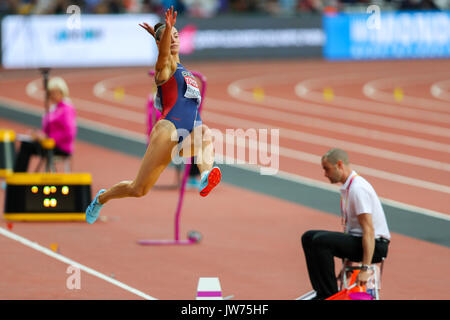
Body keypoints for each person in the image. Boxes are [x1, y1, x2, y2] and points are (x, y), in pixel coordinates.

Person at [85, 6, 221, 224]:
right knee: (138, 189)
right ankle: (101, 198)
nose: (174, 38)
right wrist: (165, 31)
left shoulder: (186, 71)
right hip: (167, 132)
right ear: (162, 42)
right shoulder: (164, 69)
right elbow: (164, 55)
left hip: (187, 135)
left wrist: (161, 34)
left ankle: (206, 176)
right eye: (170, 36)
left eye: (177, 35)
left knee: (206, 134)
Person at [301, 148, 390, 300]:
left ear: (339, 165)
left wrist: (365, 268)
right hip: (362, 242)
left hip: (376, 246)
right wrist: (348, 263)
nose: (325, 174)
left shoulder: (358, 189)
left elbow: (368, 230)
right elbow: (353, 231)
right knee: (308, 237)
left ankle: (328, 295)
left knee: (320, 242)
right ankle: (321, 291)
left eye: (327, 169)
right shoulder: (349, 188)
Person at [14, 76, 76, 173]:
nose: (52, 96)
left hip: (60, 146)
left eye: (55, 93)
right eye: (50, 93)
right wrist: (38, 134)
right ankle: (18, 177)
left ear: (62, 92)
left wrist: (49, 138)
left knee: (26, 146)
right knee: (26, 143)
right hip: (49, 144)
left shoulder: (66, 109)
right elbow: (47, 130)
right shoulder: (53, 108)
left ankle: (18, 178)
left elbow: (69, 133)